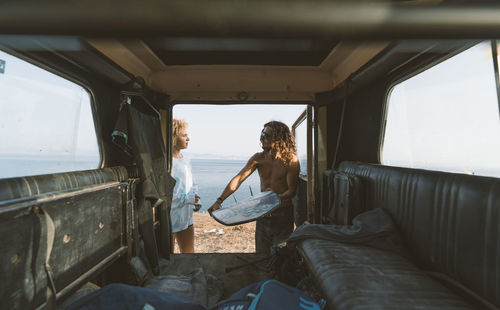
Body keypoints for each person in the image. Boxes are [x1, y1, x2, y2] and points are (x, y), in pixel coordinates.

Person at [208, 121, 300, 254]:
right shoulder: (258, 158)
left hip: (282, 218)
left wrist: (274, 198)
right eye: (262, 134)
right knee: (261, 257)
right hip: (263, 218)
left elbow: (291, 191)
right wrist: (219, 201)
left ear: (279, 138)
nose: (261, 138)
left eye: (266, 135)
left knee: (281, 259)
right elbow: (238, 179)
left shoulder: (291, 160)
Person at [171, 118, 202, 253]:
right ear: (172, 137)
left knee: (189, 253)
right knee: (168, 256)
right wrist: (188, 199)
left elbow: (191, 183)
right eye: (184, 135)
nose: (188, 139)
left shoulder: (184, 158)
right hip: (170, 218)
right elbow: (164, 194)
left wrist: (196, 200)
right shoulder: (166, 162)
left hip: (186, 216)